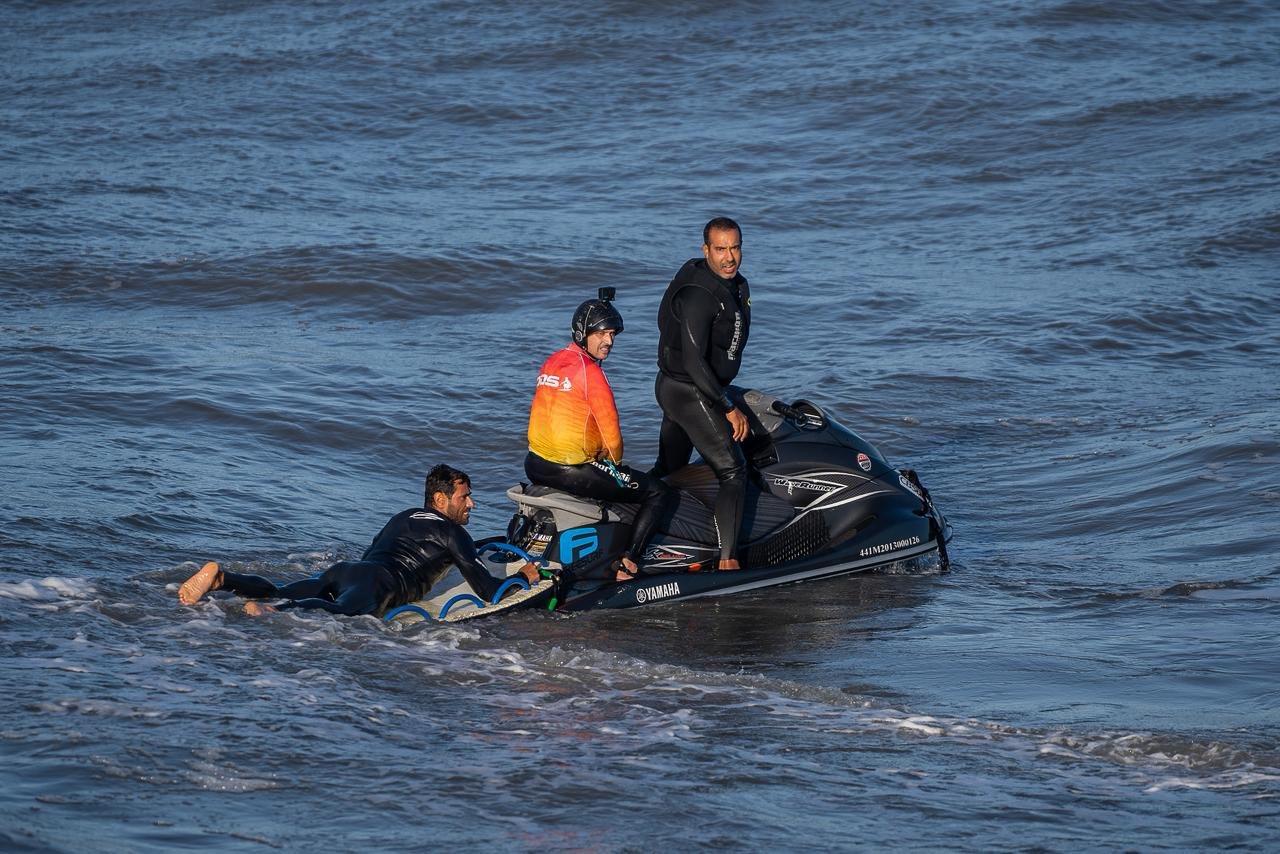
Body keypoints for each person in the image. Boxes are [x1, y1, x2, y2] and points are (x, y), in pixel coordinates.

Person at [177, 464, 529, 616]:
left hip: (349, 570)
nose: (471, 503)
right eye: (464, 497)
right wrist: (521, 578)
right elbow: (486, 589)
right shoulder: (453, 532)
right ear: (440, 501)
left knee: (281, 587)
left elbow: (374, 551)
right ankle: (275, 612)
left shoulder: (403, 516)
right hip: (380, 583)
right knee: (341, 611)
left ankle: (224, 579)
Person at [525, 289, 673, 582]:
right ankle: (628, 563)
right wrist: (614, 465)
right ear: (583, 333)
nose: (609, 341)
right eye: (601, 334)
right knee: (657, 491)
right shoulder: (591, 372)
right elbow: (613, 440)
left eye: (613, 335)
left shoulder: (551, 362)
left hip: (535, 464)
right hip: (568, 470)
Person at [652, 216, 752, 571]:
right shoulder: (698, 294)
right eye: (721, 249)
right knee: (732, 470)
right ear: (705, 250)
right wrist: (726, 406)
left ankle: (648, 541)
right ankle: (728, 561)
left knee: (670, 469)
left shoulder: (733, 284)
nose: (730, 257)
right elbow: (695, 362)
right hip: (688, 389)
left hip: (686, 387)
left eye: (735, 247)